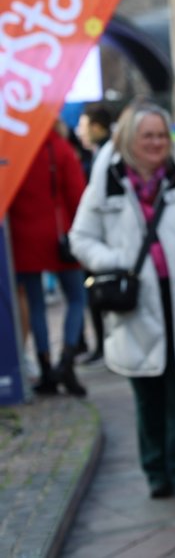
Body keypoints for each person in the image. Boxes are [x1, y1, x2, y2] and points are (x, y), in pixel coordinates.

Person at [69, 102, 175, 503]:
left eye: (162, 135)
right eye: (148, 136)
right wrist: (115, 262)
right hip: (136, 301)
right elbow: (81, 238)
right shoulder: (108, 178)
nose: (157, 143)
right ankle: (157, 471)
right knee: (148, 390)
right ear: (128, 139)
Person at [8, 125, 88, 396]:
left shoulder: (14, 151)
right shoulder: (60, 148)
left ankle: (45, 368)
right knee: (76, 298)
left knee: (35, 304)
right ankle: (67, 359)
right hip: (59, 236)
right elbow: (77, 195)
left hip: (23, 238)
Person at [75, 102, 114, 363]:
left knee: (104, 294)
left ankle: (105, 347)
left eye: (84, 126)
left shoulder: (107, 155)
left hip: (105, 240)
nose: (80, 132)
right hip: (99, 239)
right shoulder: (98, 154)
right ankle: (102, 346)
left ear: (97, 127)